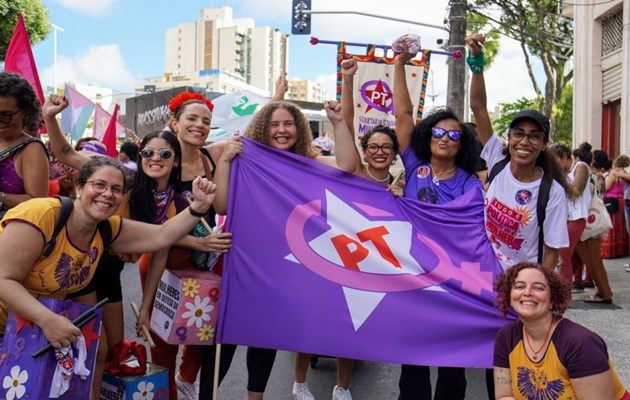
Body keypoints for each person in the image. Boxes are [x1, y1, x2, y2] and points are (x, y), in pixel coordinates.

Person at [0, 155, 216, 400]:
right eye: (99, 185)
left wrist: (197, 207)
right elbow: (3, 280)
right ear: (79, 187)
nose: (108, 194)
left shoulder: (106, 228)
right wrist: (47, 320)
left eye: (116, 189)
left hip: (30, 330)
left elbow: (163, 235)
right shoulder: (41, 215)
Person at [214, 98, 356, 400]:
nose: (281, 130)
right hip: (244, 258)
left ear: (298, 129)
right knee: (226, 334)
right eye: (274, 124)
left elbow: (346, 167)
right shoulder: (244, 155)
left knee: (264, 335)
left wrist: (338, 122)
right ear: (263, 128)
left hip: (283, 265)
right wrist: (225, 160)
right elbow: (222, 204)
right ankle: (207, 394)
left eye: (288, 124)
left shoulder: (308, 161)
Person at [466, 32, 570, 400]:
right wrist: (476, 62)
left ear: (543, 144)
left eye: (533, 137)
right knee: (487, 360)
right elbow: (479, 108)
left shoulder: (550, 192)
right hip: (480, 279)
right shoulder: (495, 161)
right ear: (508, 138)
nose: (523, 142)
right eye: (518, 134)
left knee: (515, 363)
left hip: (518, 290)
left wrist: (539, 296)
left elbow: (553, 251)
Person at [393, 40, 484, 400]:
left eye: (454, 135)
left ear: (462, 144)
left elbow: (471, 234)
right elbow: (402, 115)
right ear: (426, 137)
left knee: (452, 366)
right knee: (412, 364)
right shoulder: (415, 167)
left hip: (454, 281)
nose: (445, 138)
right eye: (438, 132)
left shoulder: (469, 185)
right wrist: (400, 63)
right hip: (413, 275)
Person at [493, 262, 630, 399]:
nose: (527, 292)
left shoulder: (580, 343)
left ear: (553, 299)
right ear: (509, 296)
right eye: (519, 286)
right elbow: (504, 395)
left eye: (538, 288)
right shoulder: (506, 336)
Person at [0, 71, 49, 217]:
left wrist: (2, 198)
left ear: (25, 112)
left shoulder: (31, 149)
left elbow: (38, 203)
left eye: (6, 115)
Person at [549, 143, 590, 294]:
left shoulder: (580, 166)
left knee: (563, 257)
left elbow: (576, 191)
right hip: (563, 218)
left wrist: (557, 179)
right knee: (560, 257)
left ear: (564, 157)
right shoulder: (562, 173)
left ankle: (564, 295)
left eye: (555, 161)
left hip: (576, 218)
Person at [601, 154, 630, 259]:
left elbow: (607, 187)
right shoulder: (625, 173)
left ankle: (610, 251)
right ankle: (621, 250)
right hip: (622, 200)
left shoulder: (614, 173)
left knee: (611, 226)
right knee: (622, 227)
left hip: (612, 201)